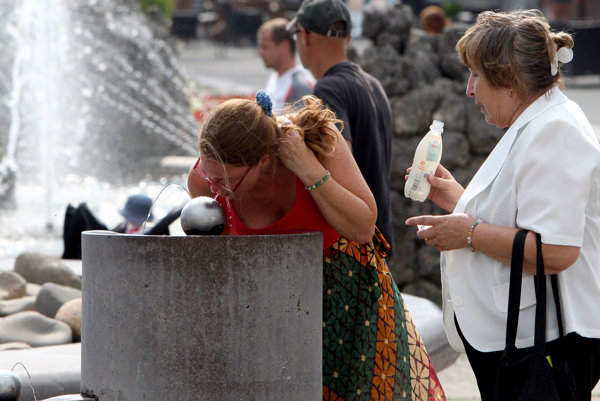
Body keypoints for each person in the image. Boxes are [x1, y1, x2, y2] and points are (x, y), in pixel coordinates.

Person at [187, 91, 446, 400]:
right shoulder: (205, 181)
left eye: (227, 182)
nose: (216, 189)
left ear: (264, 160)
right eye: (209, 174)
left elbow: (363, 226)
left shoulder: (318, 140)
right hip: (276, 318)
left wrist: (308, 169)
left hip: (353, 310)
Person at [405, 10, 600, 401]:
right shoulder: (539, 121)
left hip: (541, 341)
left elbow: (557, 250)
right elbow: (525, 215)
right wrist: (459, 199)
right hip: (526, 336)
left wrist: (469, 232)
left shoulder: (554, 129)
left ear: (509, 80)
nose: (469, 89)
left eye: (476, 74)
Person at [286, 0, 395, 254]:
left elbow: (334, 168)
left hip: (352, 248)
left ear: (305, 36)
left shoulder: (328, 90)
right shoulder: (372, 84)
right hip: (380, 242)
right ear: (347, 38)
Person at [257, 18, 314, 112]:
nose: (260, 52)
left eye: (265, 47)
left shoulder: (300, 85)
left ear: (284, 46)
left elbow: (302, 126)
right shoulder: (273, 78)